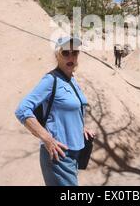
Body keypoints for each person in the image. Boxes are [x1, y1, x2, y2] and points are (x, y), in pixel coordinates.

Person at [15, 36, 95, 186]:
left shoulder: (71, 79)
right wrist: (47, 139)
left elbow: (70, 108)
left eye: (75, 53)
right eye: (66, 53)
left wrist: (81, 127)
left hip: (75, 152)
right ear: (57, 55)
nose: (71, 57)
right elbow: (22, 109)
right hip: (58, 154)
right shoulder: (51, 80)